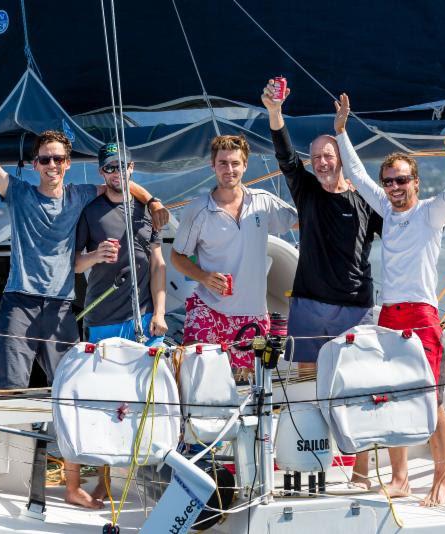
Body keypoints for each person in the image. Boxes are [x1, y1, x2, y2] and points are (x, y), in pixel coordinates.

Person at [0, 81, 168, 508]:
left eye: (59, 159)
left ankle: (74, 485)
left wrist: (151, 200)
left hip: (60, 308)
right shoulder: (18, 194)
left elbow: (120, 180)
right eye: (45, 160)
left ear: (69, 163)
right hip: (20, 302)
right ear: (35, 165)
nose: (53, 165)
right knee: (1, 388)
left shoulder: (80, 194)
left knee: (72, 392)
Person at [334, 93, 445, 506]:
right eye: (389, 181)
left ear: (415, 182)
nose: (393, 187)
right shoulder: (387, 212)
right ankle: (400, 478)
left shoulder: (430, 212)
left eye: (401, 180)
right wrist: (341, 131)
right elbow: (355, 174)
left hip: (423, 314)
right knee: (390, 395)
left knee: (430, 401)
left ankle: (442, 481)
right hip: (389, 313)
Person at [261, 80, 382, 383]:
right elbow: (287, 159)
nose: (322, 162)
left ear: (342, 159)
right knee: (306, 379)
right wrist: (276, 113)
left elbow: (401, 235)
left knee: (353, 379)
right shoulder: (308, 192)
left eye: (328, 156)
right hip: (309, 303)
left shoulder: (366, 200)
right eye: (315, 158)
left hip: (354, 307)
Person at [171, 134, 298, 373]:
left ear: (245, 165)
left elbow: (302, 220)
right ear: (213, 166)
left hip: (253, 314)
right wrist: (204, 277)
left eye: (235, 163)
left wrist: (336, 194)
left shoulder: (264, 202)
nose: (229, 169)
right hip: (208, 309)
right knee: (197, 375)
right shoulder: (198, 210)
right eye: (223, 163)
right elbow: (177, 257)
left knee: (248, 388)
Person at [75, 143, 167, 346]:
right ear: (101, 172)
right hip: (102, 320)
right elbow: (75, 265)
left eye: (122, 165)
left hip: (146, 317)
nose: (117, 172)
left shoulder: (150, 210)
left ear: (131, 167)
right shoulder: (89, 211)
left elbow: (157, 264)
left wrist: (159, 313)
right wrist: (96, 255)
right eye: (110, 167)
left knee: (153, 377)